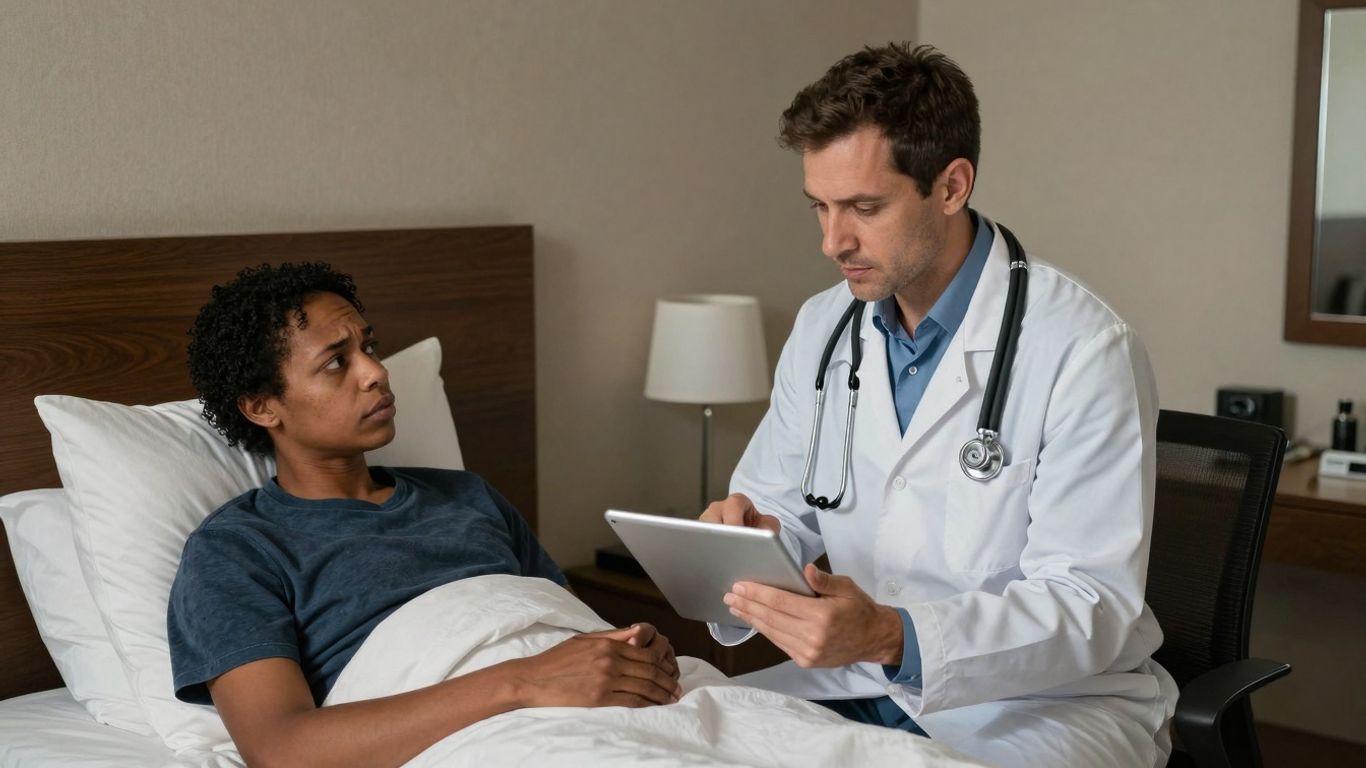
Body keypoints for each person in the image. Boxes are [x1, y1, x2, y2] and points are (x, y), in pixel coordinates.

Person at [700, 43, 1177, 767]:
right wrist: (746, 540)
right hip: (857, 681)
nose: (833, 241)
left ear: (951, 186)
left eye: (865, 207)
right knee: (680, 732)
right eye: (821, 207)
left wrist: (894, 634)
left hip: (1042, 707)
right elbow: (780, 513)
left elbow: (1091, 603)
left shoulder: (1084, 348)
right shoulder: (823, 328)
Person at [168, 262, 680, 768]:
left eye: (369, 347)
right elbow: (281, 749)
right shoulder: (237, 549)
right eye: (336, 362)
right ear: (262, 407)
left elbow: (571, 634)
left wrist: (632, 653)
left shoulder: (467, 495)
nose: (376, 372)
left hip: (611, 718)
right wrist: (521, 680)